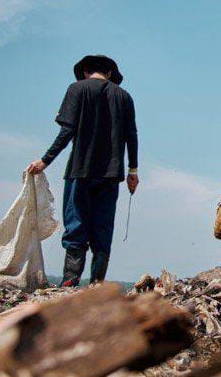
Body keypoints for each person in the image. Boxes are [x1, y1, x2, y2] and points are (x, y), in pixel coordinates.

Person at [26, 55, 139, 286]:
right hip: (111, 174)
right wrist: (133, 171)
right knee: (103, 225)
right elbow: (132, 137)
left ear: (86, 71)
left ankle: (70, 281)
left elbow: (67, 131)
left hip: (81, 169)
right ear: (109, 73)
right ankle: (97, 283)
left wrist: (45, 160)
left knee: (76, 222)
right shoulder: (124, 97)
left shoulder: (77, 89)